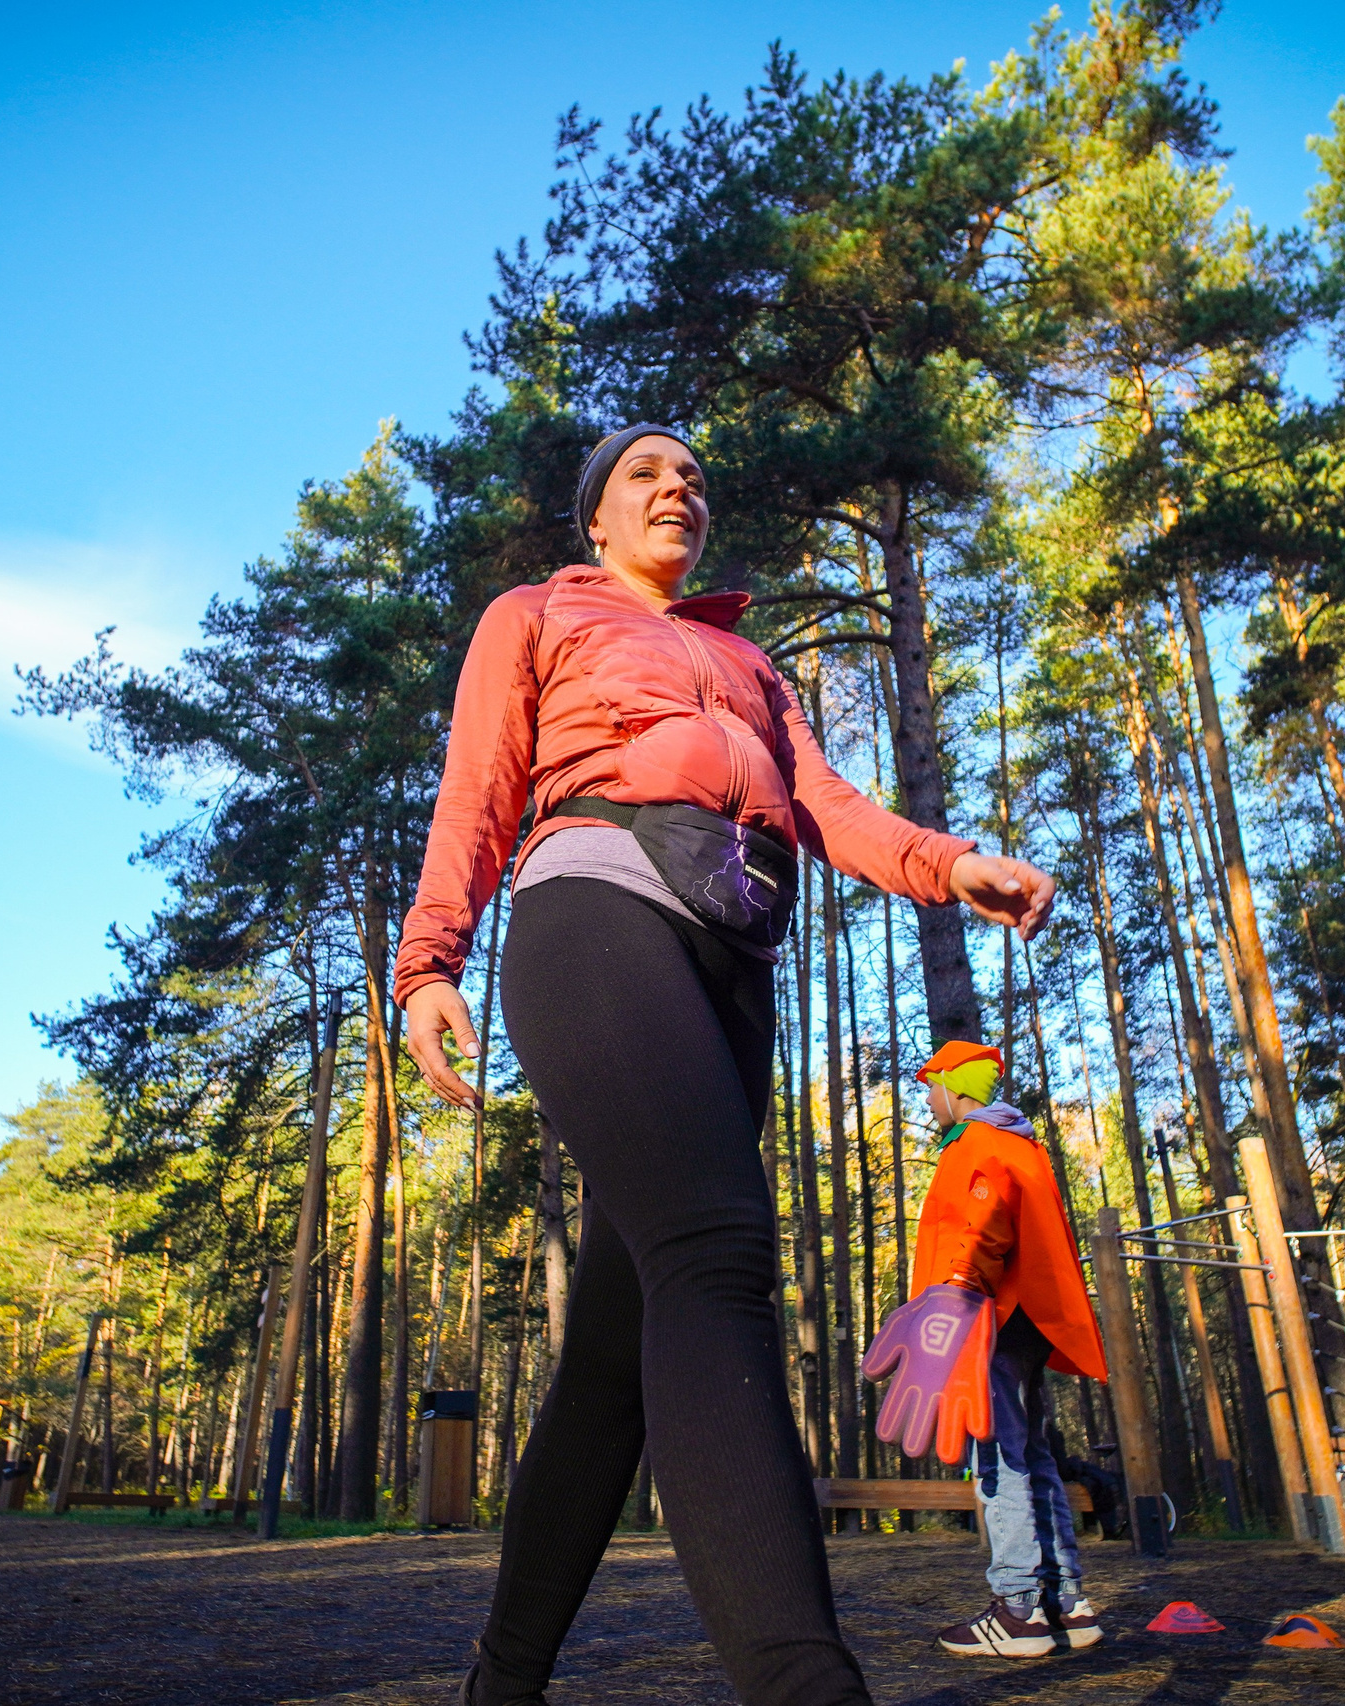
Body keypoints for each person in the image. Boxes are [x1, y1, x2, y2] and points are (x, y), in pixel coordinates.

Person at [398, 425, 1055, 1706]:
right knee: (717, 1254)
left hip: (735, 960)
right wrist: (429, 962)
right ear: (595, 518)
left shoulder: (753, 661)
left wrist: (948, 861)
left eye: (694, 477)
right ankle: (806, 1682)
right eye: (645, 474)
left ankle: (500, 1682)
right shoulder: (535, 613)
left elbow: (827, 804)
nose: (678, 488)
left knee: (616, 1352)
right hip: (596, 900)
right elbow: (477, 787)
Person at [866, 1040, 1108, 1658]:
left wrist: (955, 1300)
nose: (927, 1100)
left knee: (999, 1456)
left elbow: (983, 1225)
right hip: (1025, 1320)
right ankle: (1065, 1602)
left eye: (931, 1088)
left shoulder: (978, 1144)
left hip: (987, 1321)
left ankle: (1019, 1609)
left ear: (955, 1088)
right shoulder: (1021, 1142)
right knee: (1034, 1453)